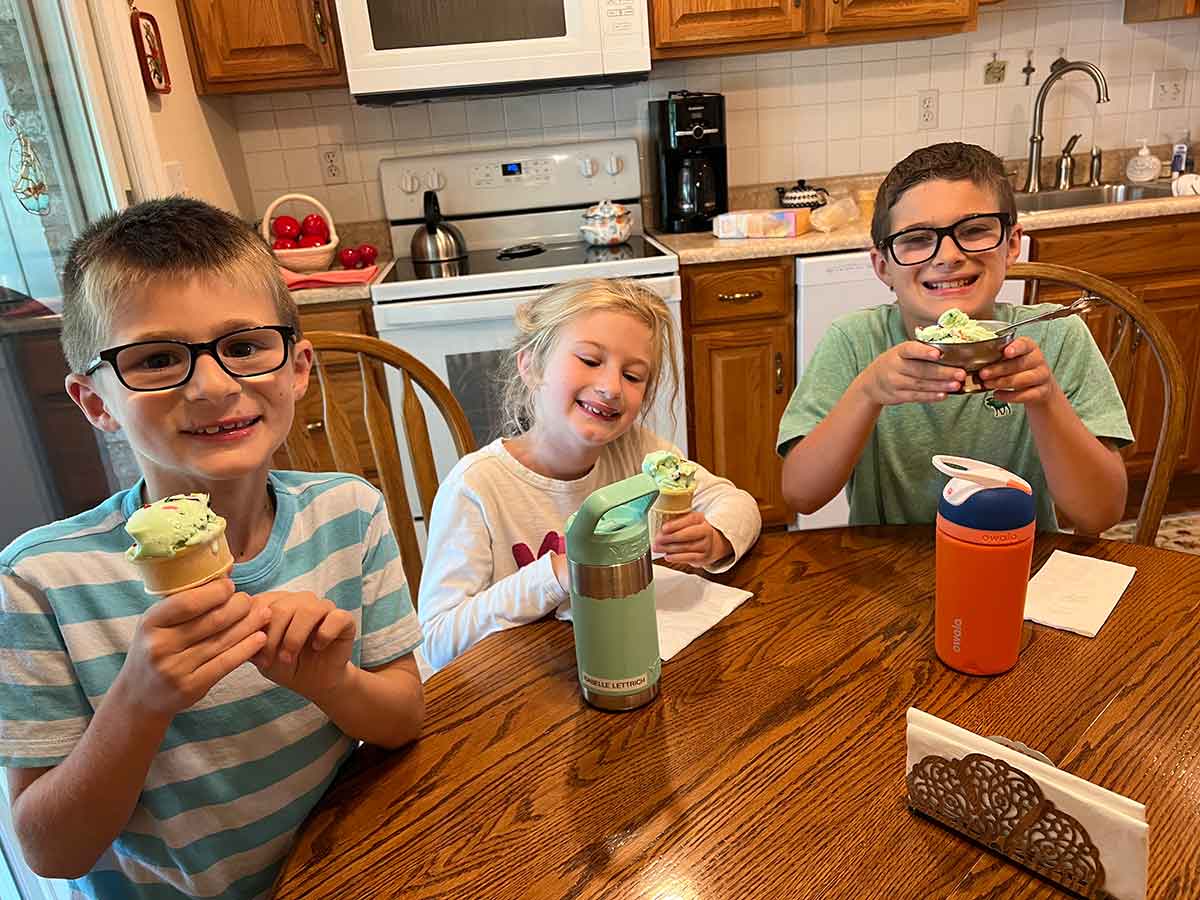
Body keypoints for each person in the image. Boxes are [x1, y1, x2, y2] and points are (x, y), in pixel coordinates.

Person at [0, 197, 424, 898]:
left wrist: (332, 683)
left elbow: (404, 718)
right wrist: (138, 702)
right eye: (157, 358)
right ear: (96, 402)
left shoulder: (349, 513)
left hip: (339, 874)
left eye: (245, 346)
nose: (213, 386)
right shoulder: (39, 582)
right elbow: (52, 851)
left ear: (298, 368)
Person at [779, 142, 1132, 532]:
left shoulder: (1058, 337)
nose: (947, 256)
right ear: (882, 266)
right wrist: (867, 393)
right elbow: (801, 495)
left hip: (1020, 557)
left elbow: (1099, 514)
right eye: (916, 239)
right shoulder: (855, 342)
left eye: (974, 230)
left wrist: (1046, 401)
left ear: (1012, 244)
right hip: (891, 561)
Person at [418, 278, 762, 672]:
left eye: (633, 376)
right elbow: (438, 640)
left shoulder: (638, 453)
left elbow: (736, 502)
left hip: (623, 666)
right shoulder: (476, 487)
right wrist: (559, 572)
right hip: (518, 686)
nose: (612, 387)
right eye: (590, 360)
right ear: (531, 365)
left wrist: (716, 537)